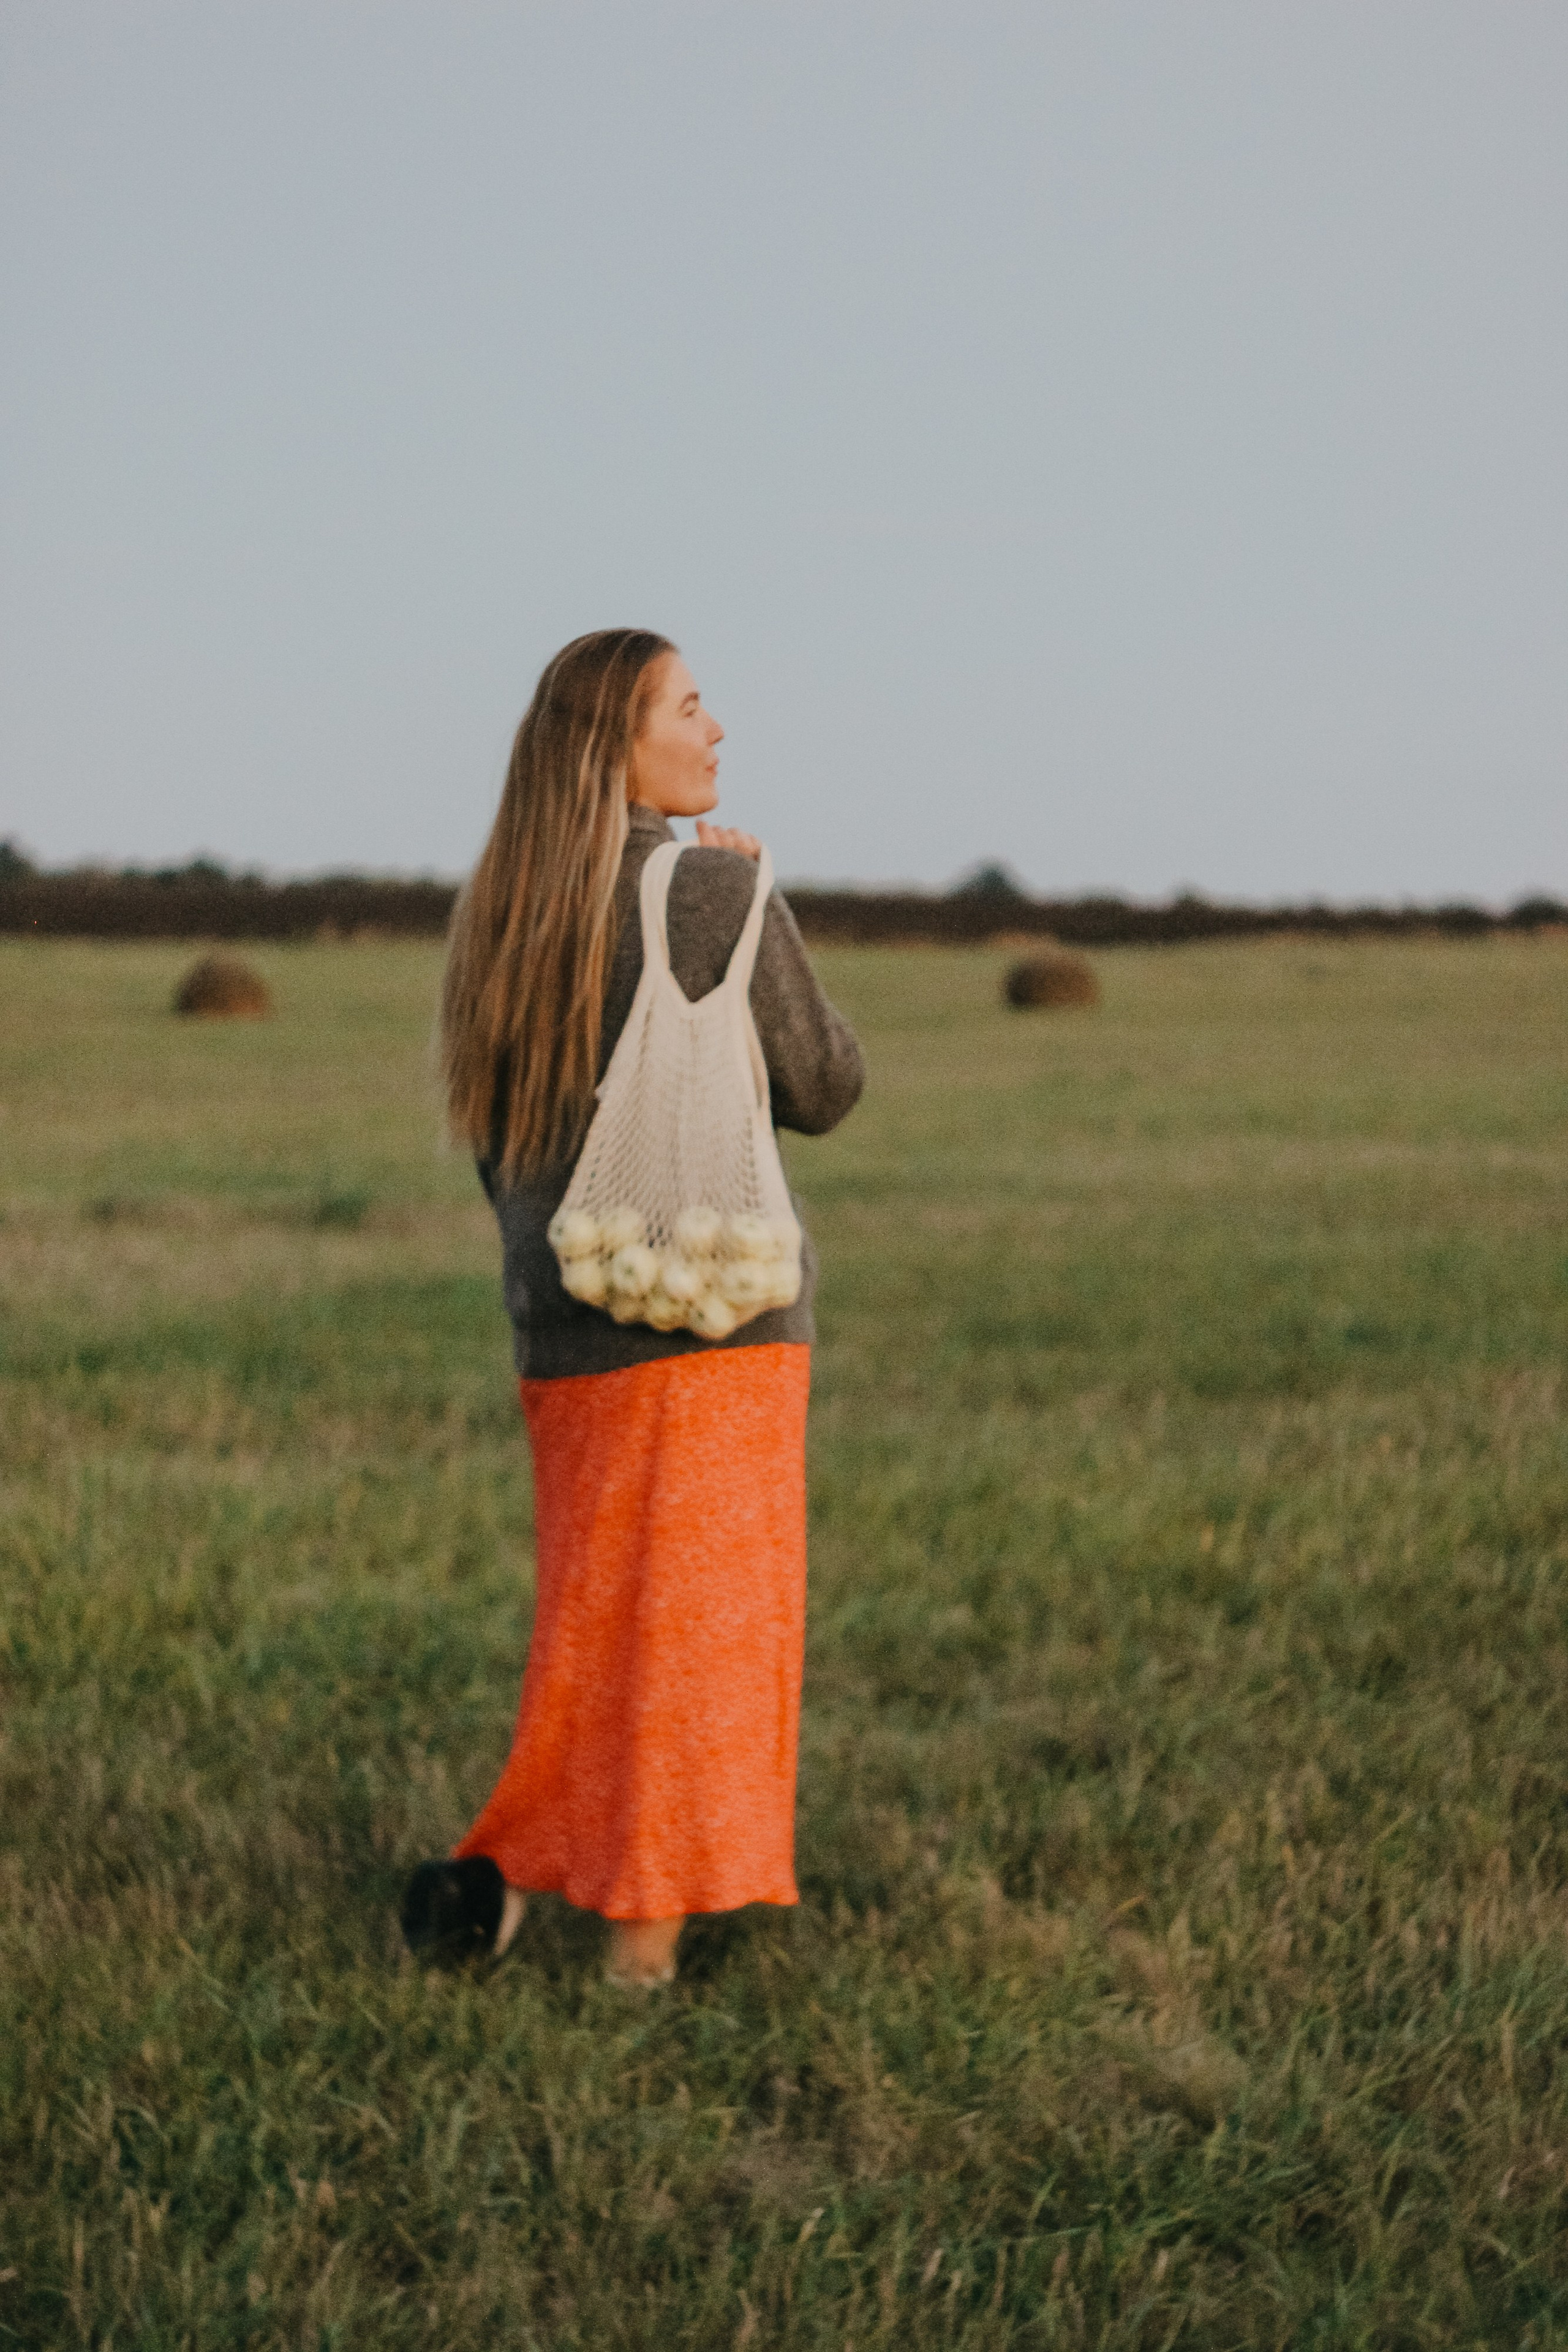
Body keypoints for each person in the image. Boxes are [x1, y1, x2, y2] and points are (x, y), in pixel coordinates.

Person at [402, 628, 864, 1987]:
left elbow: (502, 1138)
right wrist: (750, 906)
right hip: (707, 1330)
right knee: (693, 1656)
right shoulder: (707, 890)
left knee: (595, 1639)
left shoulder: (505, 905)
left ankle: (506, 1873)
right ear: (618, 742)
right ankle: (639, 1966)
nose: (716, 728)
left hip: (561, 1335)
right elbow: (824, 1084)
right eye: (689, 704)